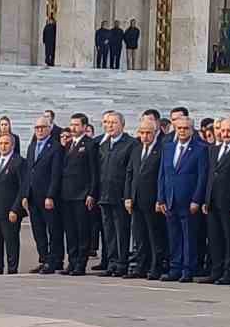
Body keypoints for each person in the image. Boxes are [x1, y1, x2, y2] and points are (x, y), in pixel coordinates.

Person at [157, 113, 209, 282]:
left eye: (186, 128)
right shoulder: (168, 147)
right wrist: (161, 198)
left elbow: (202, 177)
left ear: (192, 130)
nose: (182, 131)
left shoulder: (200, 149)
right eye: (179, 128)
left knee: (189, 237)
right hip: (171, 199)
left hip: (189, 201)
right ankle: (175, 268)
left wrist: (196, 199)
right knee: (174, 236)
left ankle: (188, 269)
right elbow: (162, 175)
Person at [201, 117, 230, 285]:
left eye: (229, 131)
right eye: (222, 130)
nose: (225, 134)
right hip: (213, 201)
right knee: (215, 238)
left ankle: (229, 273)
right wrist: (205, 199)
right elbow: (209, 176)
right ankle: (216, 271)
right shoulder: (214, 150)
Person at [125, 115, 166, 280]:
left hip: (152, 199)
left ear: (155, 132)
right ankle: (140, 266)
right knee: (140, 235)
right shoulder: (136, 149)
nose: (145, 136)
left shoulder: (161, 149)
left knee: (154, 236)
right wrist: (128, 196)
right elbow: (130, 174)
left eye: (148, 133)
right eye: (142, 132)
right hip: (136, 199)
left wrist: (160, 198)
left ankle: (155, 266)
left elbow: (162, 176)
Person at [59, 113, 100, 275]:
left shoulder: (90, 144)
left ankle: (81, 263)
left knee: (82, 230)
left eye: (77, 125)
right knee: (70, 230)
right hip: (67, 194)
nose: (73, 128)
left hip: (82, 194)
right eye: (72, 124)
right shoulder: (68, 144)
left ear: (84, 127)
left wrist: (91, 193)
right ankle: (72, 260)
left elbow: (94, 171)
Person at [96, 111, 135, 277]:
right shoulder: (103, 144)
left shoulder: (130, 144)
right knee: (109, 231)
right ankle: (111, 262)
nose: (109, 126)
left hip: (120, 195)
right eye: (106, 123)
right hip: (104, 195)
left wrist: (127, 196)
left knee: (121, 231)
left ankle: (122, 263)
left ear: (122, 125)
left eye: (113, 123)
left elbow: (130, 172)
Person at [23, 114, 63, 272]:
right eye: (37, 128)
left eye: (42, 127)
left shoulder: (55, 147)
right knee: (38, 230)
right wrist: (25, 194)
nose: (39, 130)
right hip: (33, 196)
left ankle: (54, 260)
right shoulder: (32, 146)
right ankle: (44, 258)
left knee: (53, 230)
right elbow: (28, 172)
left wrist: (51, 195)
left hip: (47, 197)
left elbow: (56, 174)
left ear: (49, 129)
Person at [0, 131, 26, 274]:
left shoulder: (19, 161)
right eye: (1, 143)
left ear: (13, 145)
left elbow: (23, 188)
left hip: (10, 211)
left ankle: (12, 269)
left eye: (6, 143)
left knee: (11, 241)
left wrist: (16, 209)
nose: (3, 146)